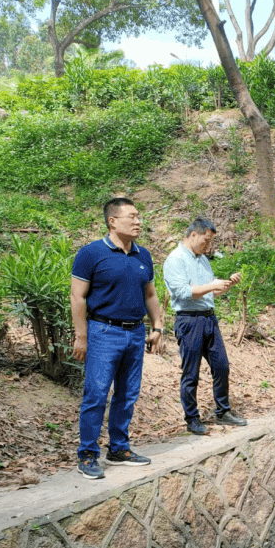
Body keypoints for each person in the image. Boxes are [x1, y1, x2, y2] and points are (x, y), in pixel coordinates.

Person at [71, 197, 164, 480]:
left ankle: (119, 448)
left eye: (139, 217)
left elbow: (150, 293)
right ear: (113, 221)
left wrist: (158, 325)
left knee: (127, 394)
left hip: (135, 332)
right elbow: (77, 296)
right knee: (97, 394)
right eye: (132, 217)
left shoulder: (143, 255)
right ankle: (87, 455)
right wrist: (81, 336)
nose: (138, 222)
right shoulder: (91, 253)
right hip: (103, 332)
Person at [162, 218, 248, 435]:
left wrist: (227, 285)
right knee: (191, 373)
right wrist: (211, 285)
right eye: (206, 241)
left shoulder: (202, 260)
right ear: (193, 235)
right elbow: (182, 292)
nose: (208, 246)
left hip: (209, 318)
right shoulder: (176, 260)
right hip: (189, 320)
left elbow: (211, 292)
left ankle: (223, 412)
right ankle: (192, 418)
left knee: (222, 366)